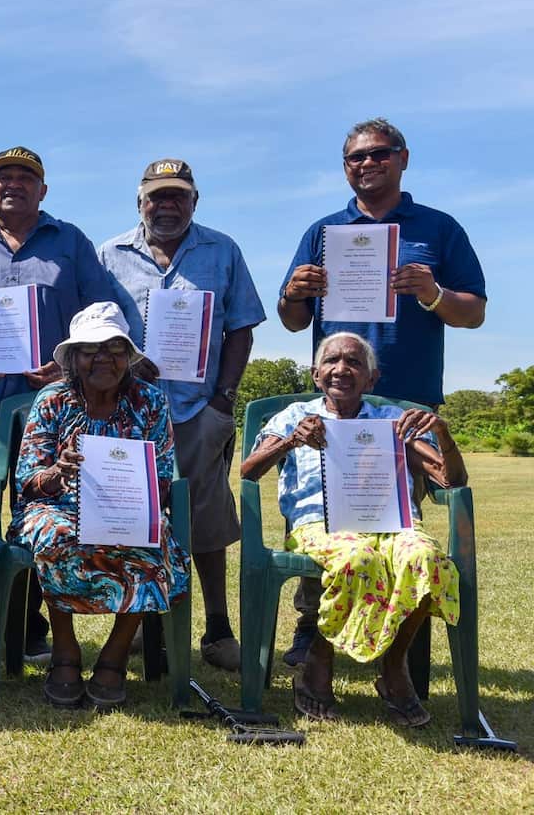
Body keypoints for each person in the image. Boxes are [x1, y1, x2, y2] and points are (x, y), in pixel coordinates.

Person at [277, 117, 486, 665]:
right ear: (345, 167)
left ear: (402, 158)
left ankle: (399, 644)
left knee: (395, 518)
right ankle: (312, 630)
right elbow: (293, 322)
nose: (367, 165)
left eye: (378, 155)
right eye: (355, 158)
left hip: (407, 400)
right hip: (338, 401)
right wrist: (295, 293)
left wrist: (434, 293)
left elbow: (475, 313)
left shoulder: (439, 229)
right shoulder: (323, 232)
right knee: (317, 509)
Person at [0, 145, 114, 662]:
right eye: (2, 177)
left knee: (38, 509)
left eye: (24, 178)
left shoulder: (71, 242)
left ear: (43, 190)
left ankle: (23, 626)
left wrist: (69, 363)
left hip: (49, 408)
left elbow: (99, 311)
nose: (13, 184)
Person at [240, 332, 464, 727]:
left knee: (427, 558)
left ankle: (393, 666)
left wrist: (442, 434)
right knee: (358, 558)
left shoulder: (393, 421)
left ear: (372, 380)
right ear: (315, 374)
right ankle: (319, 659)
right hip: (320, 524)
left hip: (391, 522)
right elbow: (249, 471)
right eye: (332, 361)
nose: (341, 369)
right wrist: (292, 442)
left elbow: (450, 480)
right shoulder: (294, 417)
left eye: (354, 363)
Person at [98, 158, 264, 672]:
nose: (166, 206)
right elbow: (96, 328)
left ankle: (217, 629)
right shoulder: (109, 254)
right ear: (139, 202)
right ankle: (146, 634)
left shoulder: (222, 251)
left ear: (195, 201)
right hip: (130, 415)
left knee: (206, 523)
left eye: (178, 196)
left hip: (197, 411)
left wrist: (223, 401)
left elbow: (241, 328)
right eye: (157, 196)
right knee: (133, 520)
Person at [9, 302, 190, 709]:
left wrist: (127, 496)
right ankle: (65, 653)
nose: (104, 357)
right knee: (57, 533)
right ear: (73, 358)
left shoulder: (151, 402)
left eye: (115, 347)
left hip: (128, 508)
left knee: (151, 535)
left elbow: (162, 478)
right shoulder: (52, 400)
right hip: (55, 506)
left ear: (128, 357)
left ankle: (115, 655)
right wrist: (59, 471)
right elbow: (27, 481)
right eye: (91, 348)